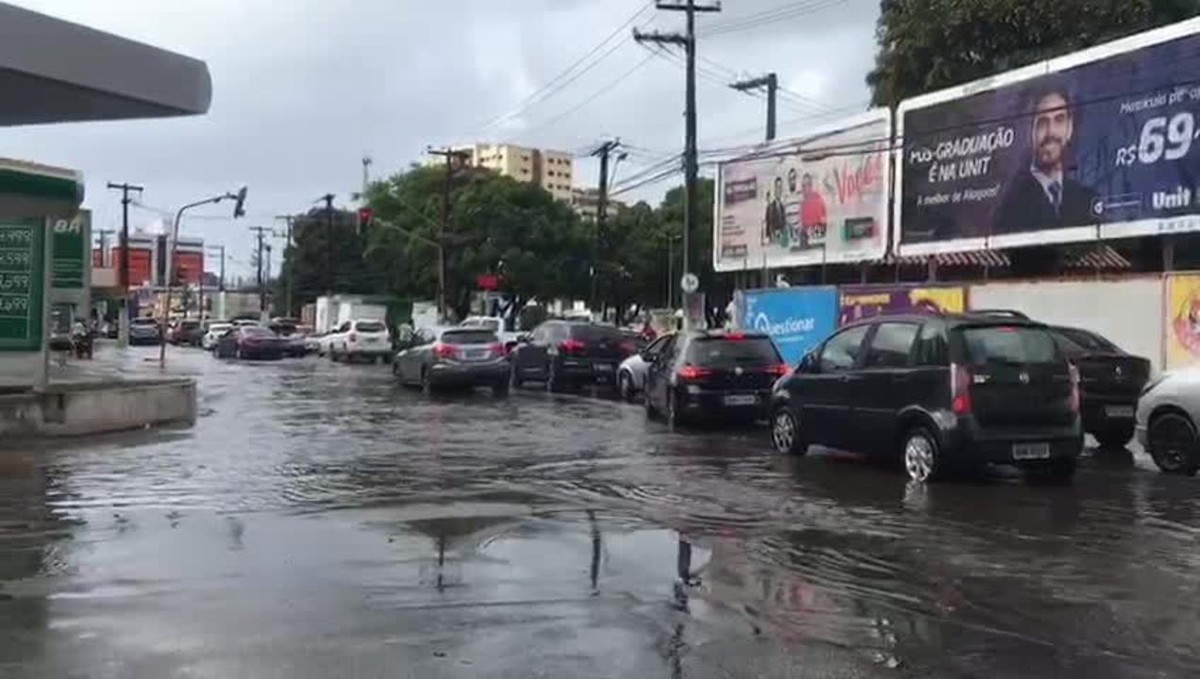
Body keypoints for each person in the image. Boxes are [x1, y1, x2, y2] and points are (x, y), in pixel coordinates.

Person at [992, 82, 1097, 234]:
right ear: (1031, 131)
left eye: (1059, 119)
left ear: (1070, 128)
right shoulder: (1010, 202)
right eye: (1042, 122)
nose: (1050, 132)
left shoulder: (1086, 199)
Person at [798, 172, 827, 248]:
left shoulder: (818, 199)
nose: (804, 188)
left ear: (810, 186)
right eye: (803, 186)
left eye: (806, 185)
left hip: (818, 232)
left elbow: (823, 221)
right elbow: (802, 224)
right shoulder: (802, 203)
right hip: (807, 235)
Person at [761, 177, 787, 246]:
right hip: (773, 242)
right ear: (774, 189)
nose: (779, 190)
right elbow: (767, 226)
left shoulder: (783, 206)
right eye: (777, 187)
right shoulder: (770, 207)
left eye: (780, 187)